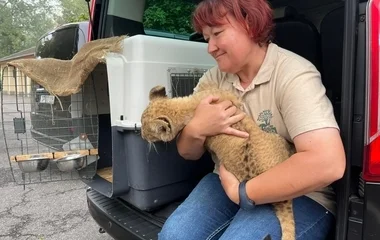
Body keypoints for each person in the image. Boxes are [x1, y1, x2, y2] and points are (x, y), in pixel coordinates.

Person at [158, 0, 346, 239]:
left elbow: (327, 163)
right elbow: (188, 152)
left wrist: (243, 193)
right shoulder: (213, 79)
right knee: (173, 236)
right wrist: (197, 128)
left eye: (217, 33)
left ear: (250, 24)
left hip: (299, 193)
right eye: (207, 38)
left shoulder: (294, 73)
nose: (210, 47)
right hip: (227, 177)